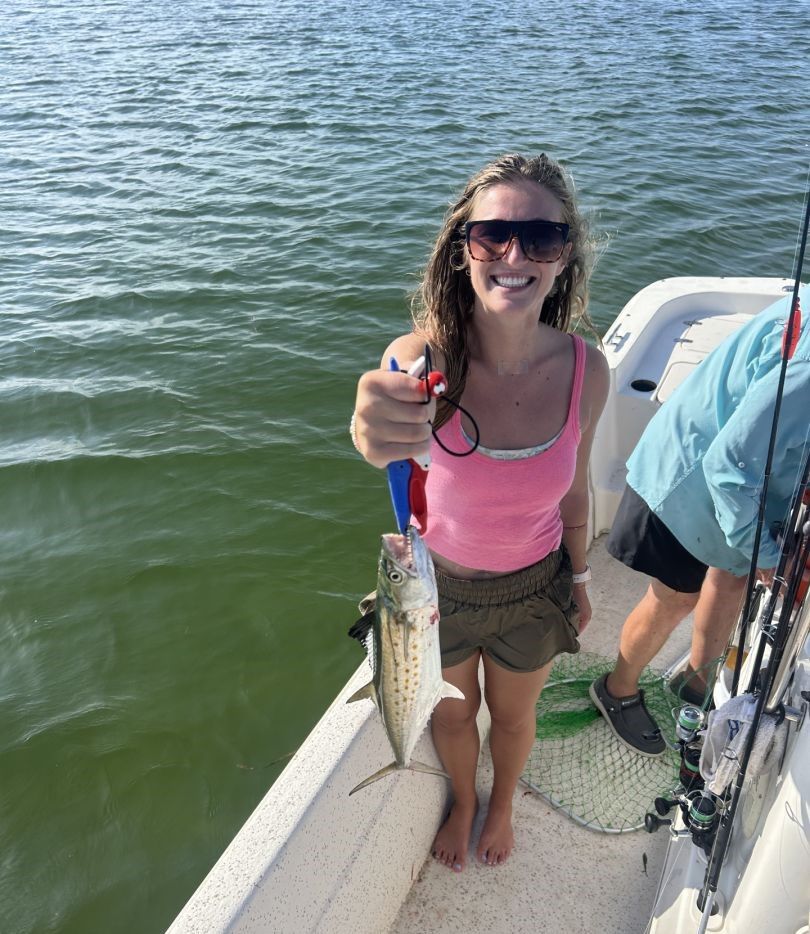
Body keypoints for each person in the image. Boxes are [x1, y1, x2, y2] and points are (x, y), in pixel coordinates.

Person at [351, 153, 609, 871]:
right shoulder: (424, 361)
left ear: (565, 256)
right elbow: (379, 412)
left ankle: (502, 804)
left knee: (516, 717)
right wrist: (371, 425)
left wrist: (580, 578)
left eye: (541, 237)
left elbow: (578, 492)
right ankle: (465, 800)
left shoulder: (587, 369)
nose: (515, 256)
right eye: (493, 234)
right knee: (455, 712)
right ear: (463, 249)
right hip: (437, 598)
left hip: (536, 587)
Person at [590, 285, 810, 756]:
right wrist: (768, 556)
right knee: (674, 596)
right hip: (687, 477)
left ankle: (697, 684)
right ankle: (616, 689)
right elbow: (728, 467)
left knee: (731, 575)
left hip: (748, 481)